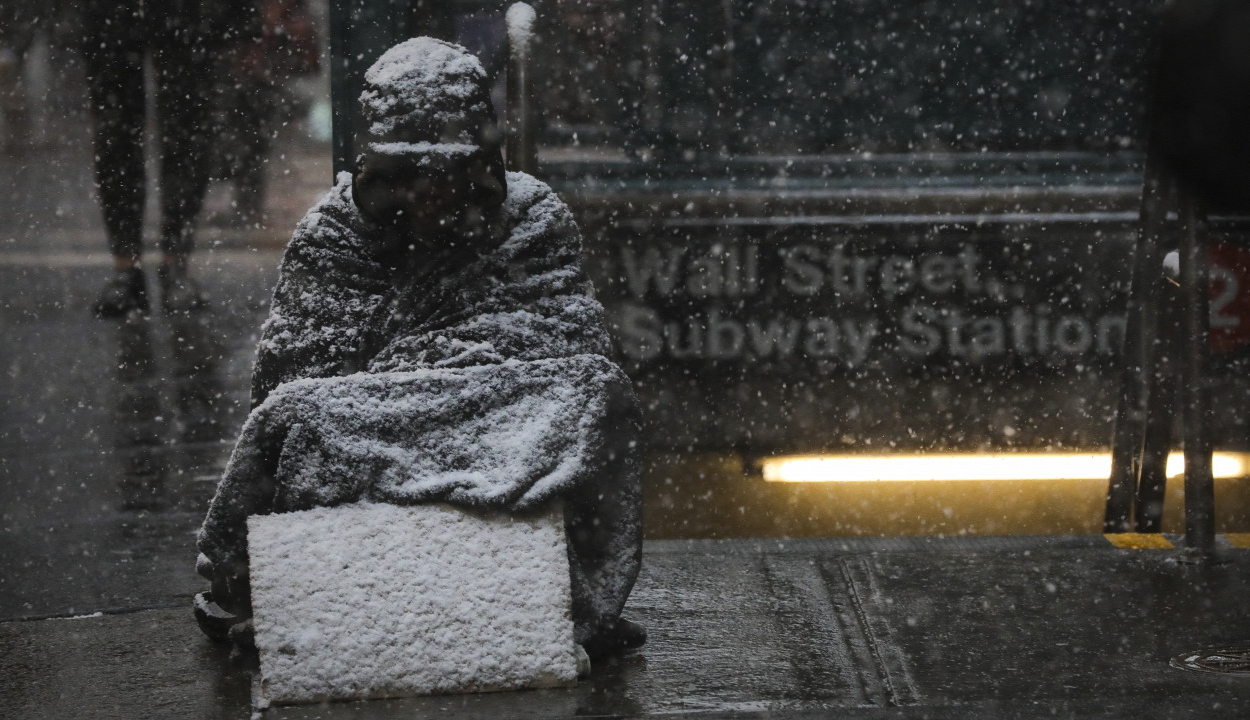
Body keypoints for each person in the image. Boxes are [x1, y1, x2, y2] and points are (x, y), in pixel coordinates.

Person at [194, 37, 645, 662]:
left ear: (484, 164)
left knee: (593, 395)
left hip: (501, 432)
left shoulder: (532, 217)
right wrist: (437, 391)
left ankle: (546, 589)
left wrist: (422, 388)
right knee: (301, 420)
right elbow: (295, 393)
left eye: (449, 174)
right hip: (399, 444)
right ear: (375, 166)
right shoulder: (332, 234)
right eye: (408, 175)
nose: (430, 197)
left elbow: (563, 354)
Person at [83, 1, 251, 317]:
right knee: (117, 135)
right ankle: (131, 265)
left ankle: (168, 262)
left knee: (184, 133)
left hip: (186, 14)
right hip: (116, 14)